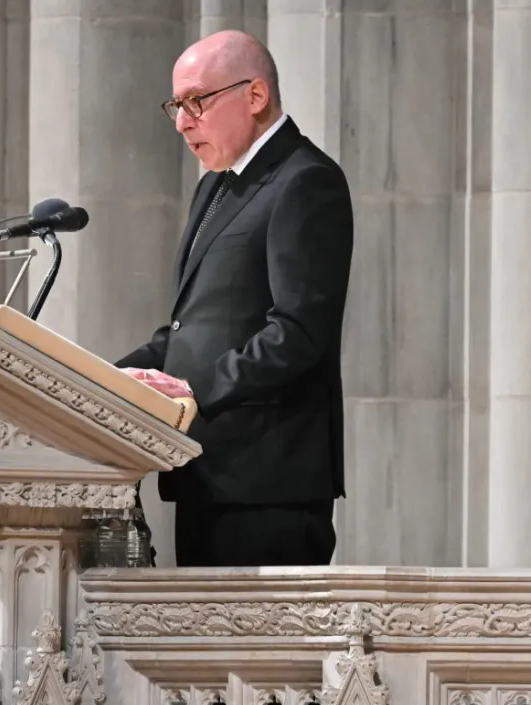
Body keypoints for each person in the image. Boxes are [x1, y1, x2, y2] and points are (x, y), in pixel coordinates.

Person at [116, 30, 354, 568]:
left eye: (196, 101)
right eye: (176, 106)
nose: (182, 122)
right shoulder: (215, 186)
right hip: (204, 471)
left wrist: (193, 390)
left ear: (255, 95)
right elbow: (191, 329)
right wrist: (98, 378)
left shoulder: (306, 181)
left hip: (269, 484)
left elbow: (298, 332)